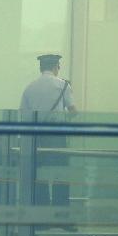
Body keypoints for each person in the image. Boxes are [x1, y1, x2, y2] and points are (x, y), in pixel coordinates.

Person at [19, 53, 77, 206]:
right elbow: (73, 112)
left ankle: (41, 214)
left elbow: (24, 115)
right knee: (61, 175)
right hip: (57, 137)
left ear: (41, 68)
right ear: (55, 67)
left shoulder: (29, 88)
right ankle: (60, 214)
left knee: (39, 176)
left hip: (36, 138)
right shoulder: (63, 85)